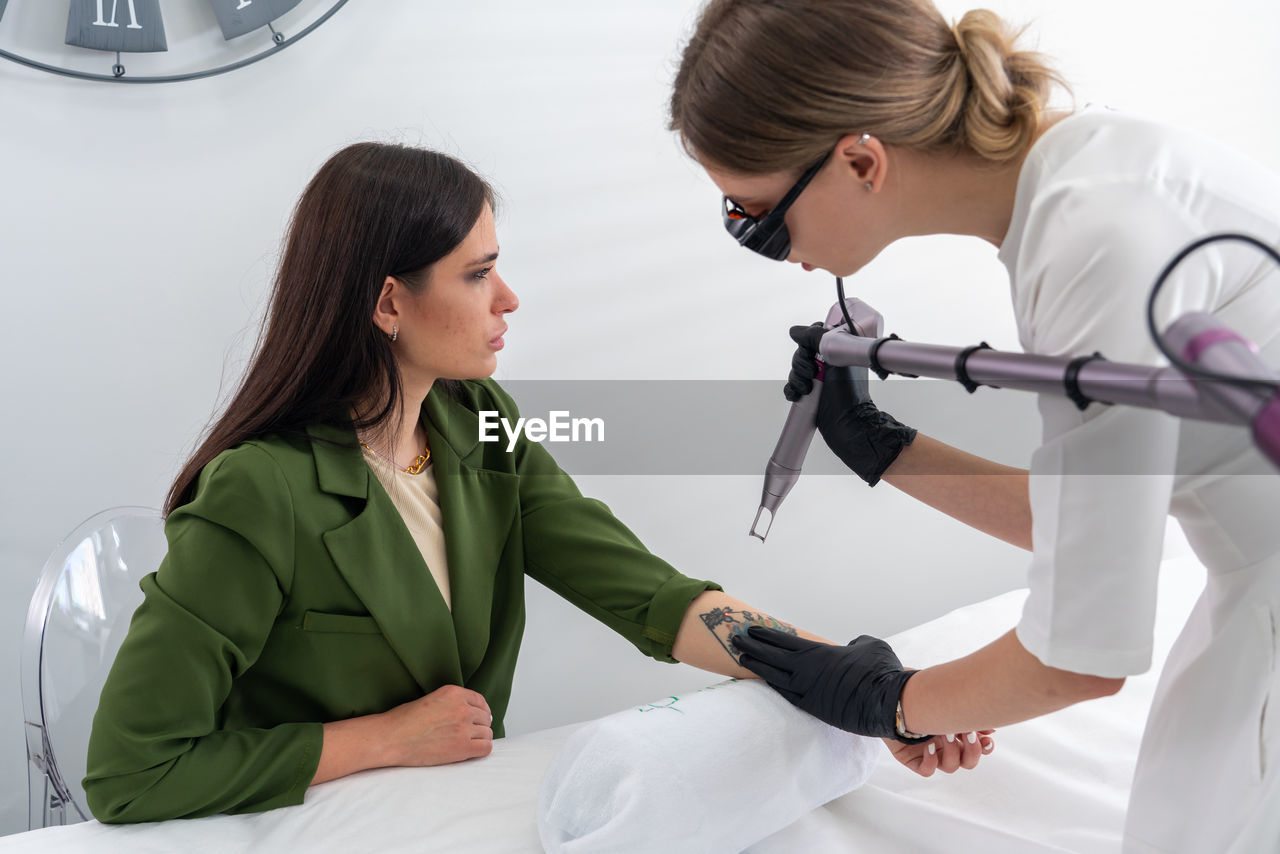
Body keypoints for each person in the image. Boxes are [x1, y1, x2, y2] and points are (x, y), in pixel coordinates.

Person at [83, 142, 986, 824]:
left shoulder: (482, 426)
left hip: (445, 821)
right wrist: (384, 739)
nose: (509, 298)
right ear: (389, 302)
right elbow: (129, 772)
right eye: (478, 275)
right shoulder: (259, 491)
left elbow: (654, 599)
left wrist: (870, 690)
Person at [667, 2, 1280, 852]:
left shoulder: (1094, 239)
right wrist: (882, 444)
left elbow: (1083, 652)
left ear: (858, 160)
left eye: (756, 218)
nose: (771, 247)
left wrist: (885, 700)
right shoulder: (1086, 179)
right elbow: (1093, 526)